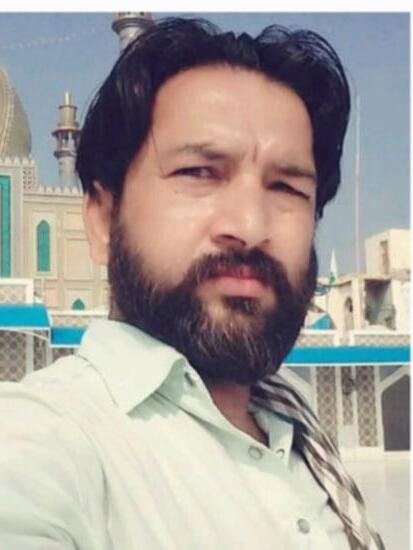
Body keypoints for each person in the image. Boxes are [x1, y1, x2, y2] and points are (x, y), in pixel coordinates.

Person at [0, 17, 384, 550]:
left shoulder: (297, 426)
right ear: (103, 220)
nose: (249, 226)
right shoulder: (44, 441)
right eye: (199, 172)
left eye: (285, 186)